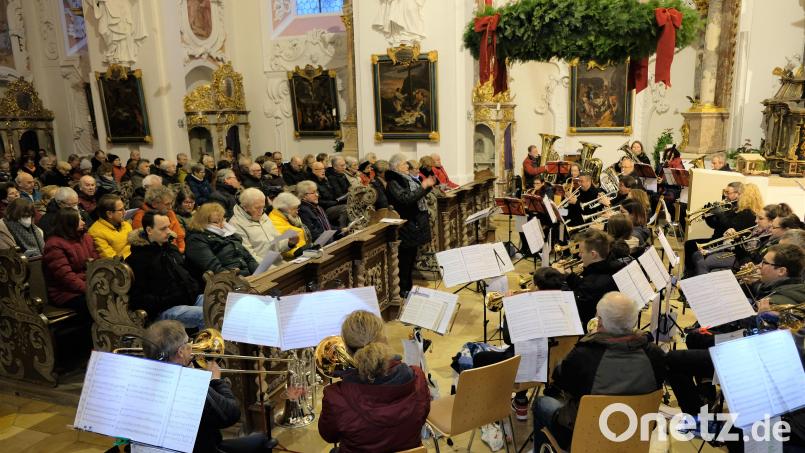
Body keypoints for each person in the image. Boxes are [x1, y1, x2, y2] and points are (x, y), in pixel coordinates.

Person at [532, 292, 666, 450]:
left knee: (541, 403)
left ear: (600, 323)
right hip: (634, 431)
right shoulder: (656, 354)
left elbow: (560, 380)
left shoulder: (584, 354)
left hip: (587, 433)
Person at [141, 320, 268, 453]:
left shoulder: (136, 376)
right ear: (180, 352)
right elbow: (232, 414)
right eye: (188, 343)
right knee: (261, 440)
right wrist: (216, 380)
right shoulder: (188, 384)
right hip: (202, 449)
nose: (192, 346)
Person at [318, 310, 430, 453]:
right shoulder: (417, 378)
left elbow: (329, 436)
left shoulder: (335, 397)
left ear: (346, 348)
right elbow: (422, 416)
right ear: (385, 339)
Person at [471, 268, 566, 420]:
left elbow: (508, 338)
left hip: (524, 368)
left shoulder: (527, 309)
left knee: (480, 357)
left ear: (537, 287)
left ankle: (488, 406)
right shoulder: (565, 304)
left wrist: (510, 308)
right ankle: (520, 400)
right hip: (550, 368)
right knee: (528, 350)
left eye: (533, 285)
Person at [127, 211, 203, 329]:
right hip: (163, 311)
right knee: (207, 314)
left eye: (168, 227)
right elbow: (139, 299)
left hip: (188, 299)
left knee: (219, 306)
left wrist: (193, 288)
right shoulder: (138, 259)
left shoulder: (170, 249)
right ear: (149, 230)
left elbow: (187, 274)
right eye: (163, 229)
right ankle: (207, 346)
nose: (168, 231)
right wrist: (171, 299)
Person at [683, 181, 760, 278]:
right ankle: (690, 275)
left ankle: (693, 276)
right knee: (690, 244)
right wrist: (709, 215)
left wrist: (720, 214)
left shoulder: (748, 214)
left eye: (729, 193)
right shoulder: (734, 208)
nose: (726, 195)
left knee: (692, 247)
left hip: (727, 245)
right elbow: (716, 226)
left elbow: (730, 226)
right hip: (718, 239)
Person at [385, 153, 436, 296]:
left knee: (411, 257)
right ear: (396, 167)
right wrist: (423, 186)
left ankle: (408, 288)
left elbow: (416, 196)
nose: (407, 166)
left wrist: (427, 186)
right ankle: (403, 289)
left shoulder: (405, 179)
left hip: (413, 223)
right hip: (405, 225)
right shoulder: (394, 182)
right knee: (405, 259)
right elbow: (406, 199)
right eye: (404, 164)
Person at [560, 229, 623, 328]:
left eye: (581, 252)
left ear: (593, 254)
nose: (580, 255)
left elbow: (575, 308)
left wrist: (556, 280)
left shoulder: (592, 283)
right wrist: (570, 276)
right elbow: (586, 286)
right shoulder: (614, 263)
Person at [185, 203, 258, 283]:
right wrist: (242, 282)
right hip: (225, 285)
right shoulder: (196, 240)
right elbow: (215, 269)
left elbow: (249, 258)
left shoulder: (228, 234)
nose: (221, 225)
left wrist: (259, 274)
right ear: (202, 222)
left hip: (246, 278)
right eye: (216, 222)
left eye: (222, 220)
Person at [42, 207, 99, 312]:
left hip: (89, 283)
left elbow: (97, 262)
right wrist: (90, 288)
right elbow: (65, 277)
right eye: (79, 220)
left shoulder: (86, 237)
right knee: (97, 303)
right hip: (65, 292)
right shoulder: (54, 244)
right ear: (69, 224)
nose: (83, 222)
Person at [229, 188, 296, 263]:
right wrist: (273, 268)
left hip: (279, 263)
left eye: (263, 207)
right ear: (245, 207)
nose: (261, 211)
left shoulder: (262, 215)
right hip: (262, 270)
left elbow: (276, 243)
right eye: (257, 208)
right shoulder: (235, 224)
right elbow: (250, 257)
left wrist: (288, 243)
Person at [131, 186, 186, 253]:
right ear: (154, 204)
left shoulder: (169, 212)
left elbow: (180, 236)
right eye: (167, 204)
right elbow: (147, 246)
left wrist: (181, 250)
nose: (170, 207)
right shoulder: (140, 218)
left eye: (171, 203)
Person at [297, 180, 346, 244]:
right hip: (321, 245)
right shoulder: (303, 211)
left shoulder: (318, 207)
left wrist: (341, 230)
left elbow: (327, 227)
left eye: (317, 191)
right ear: (303, 196)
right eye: (313, 193)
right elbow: (313, 234)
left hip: (328, 239)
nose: (317, 195)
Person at [88, 194, 132, 258]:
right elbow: (112, 260)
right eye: (120, 210)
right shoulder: (96, 232)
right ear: (109, 214)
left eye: (124, 208)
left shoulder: (126, 224)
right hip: (123, 265)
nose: (124, 212)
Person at [268, 192, 310, 258]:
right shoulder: (275, 221)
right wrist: (298, 252)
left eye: (297, 208)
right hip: (294, 258)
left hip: (303, 254)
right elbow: (282, 246)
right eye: (294, 208)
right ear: (285, 209)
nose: (297, 211)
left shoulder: (290, 218)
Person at [310, 161, 347, 227]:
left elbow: (334, 194)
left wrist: (339, 199)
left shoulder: (326, 180)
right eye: (320, 169)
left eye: (323, 169)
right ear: (313, 171)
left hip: (333, 204)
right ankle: (343, 231)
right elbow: (319, 201)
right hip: (324, 209)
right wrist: (334, 202)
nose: (323, 171)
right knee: (345, 208)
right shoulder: (312, 184)